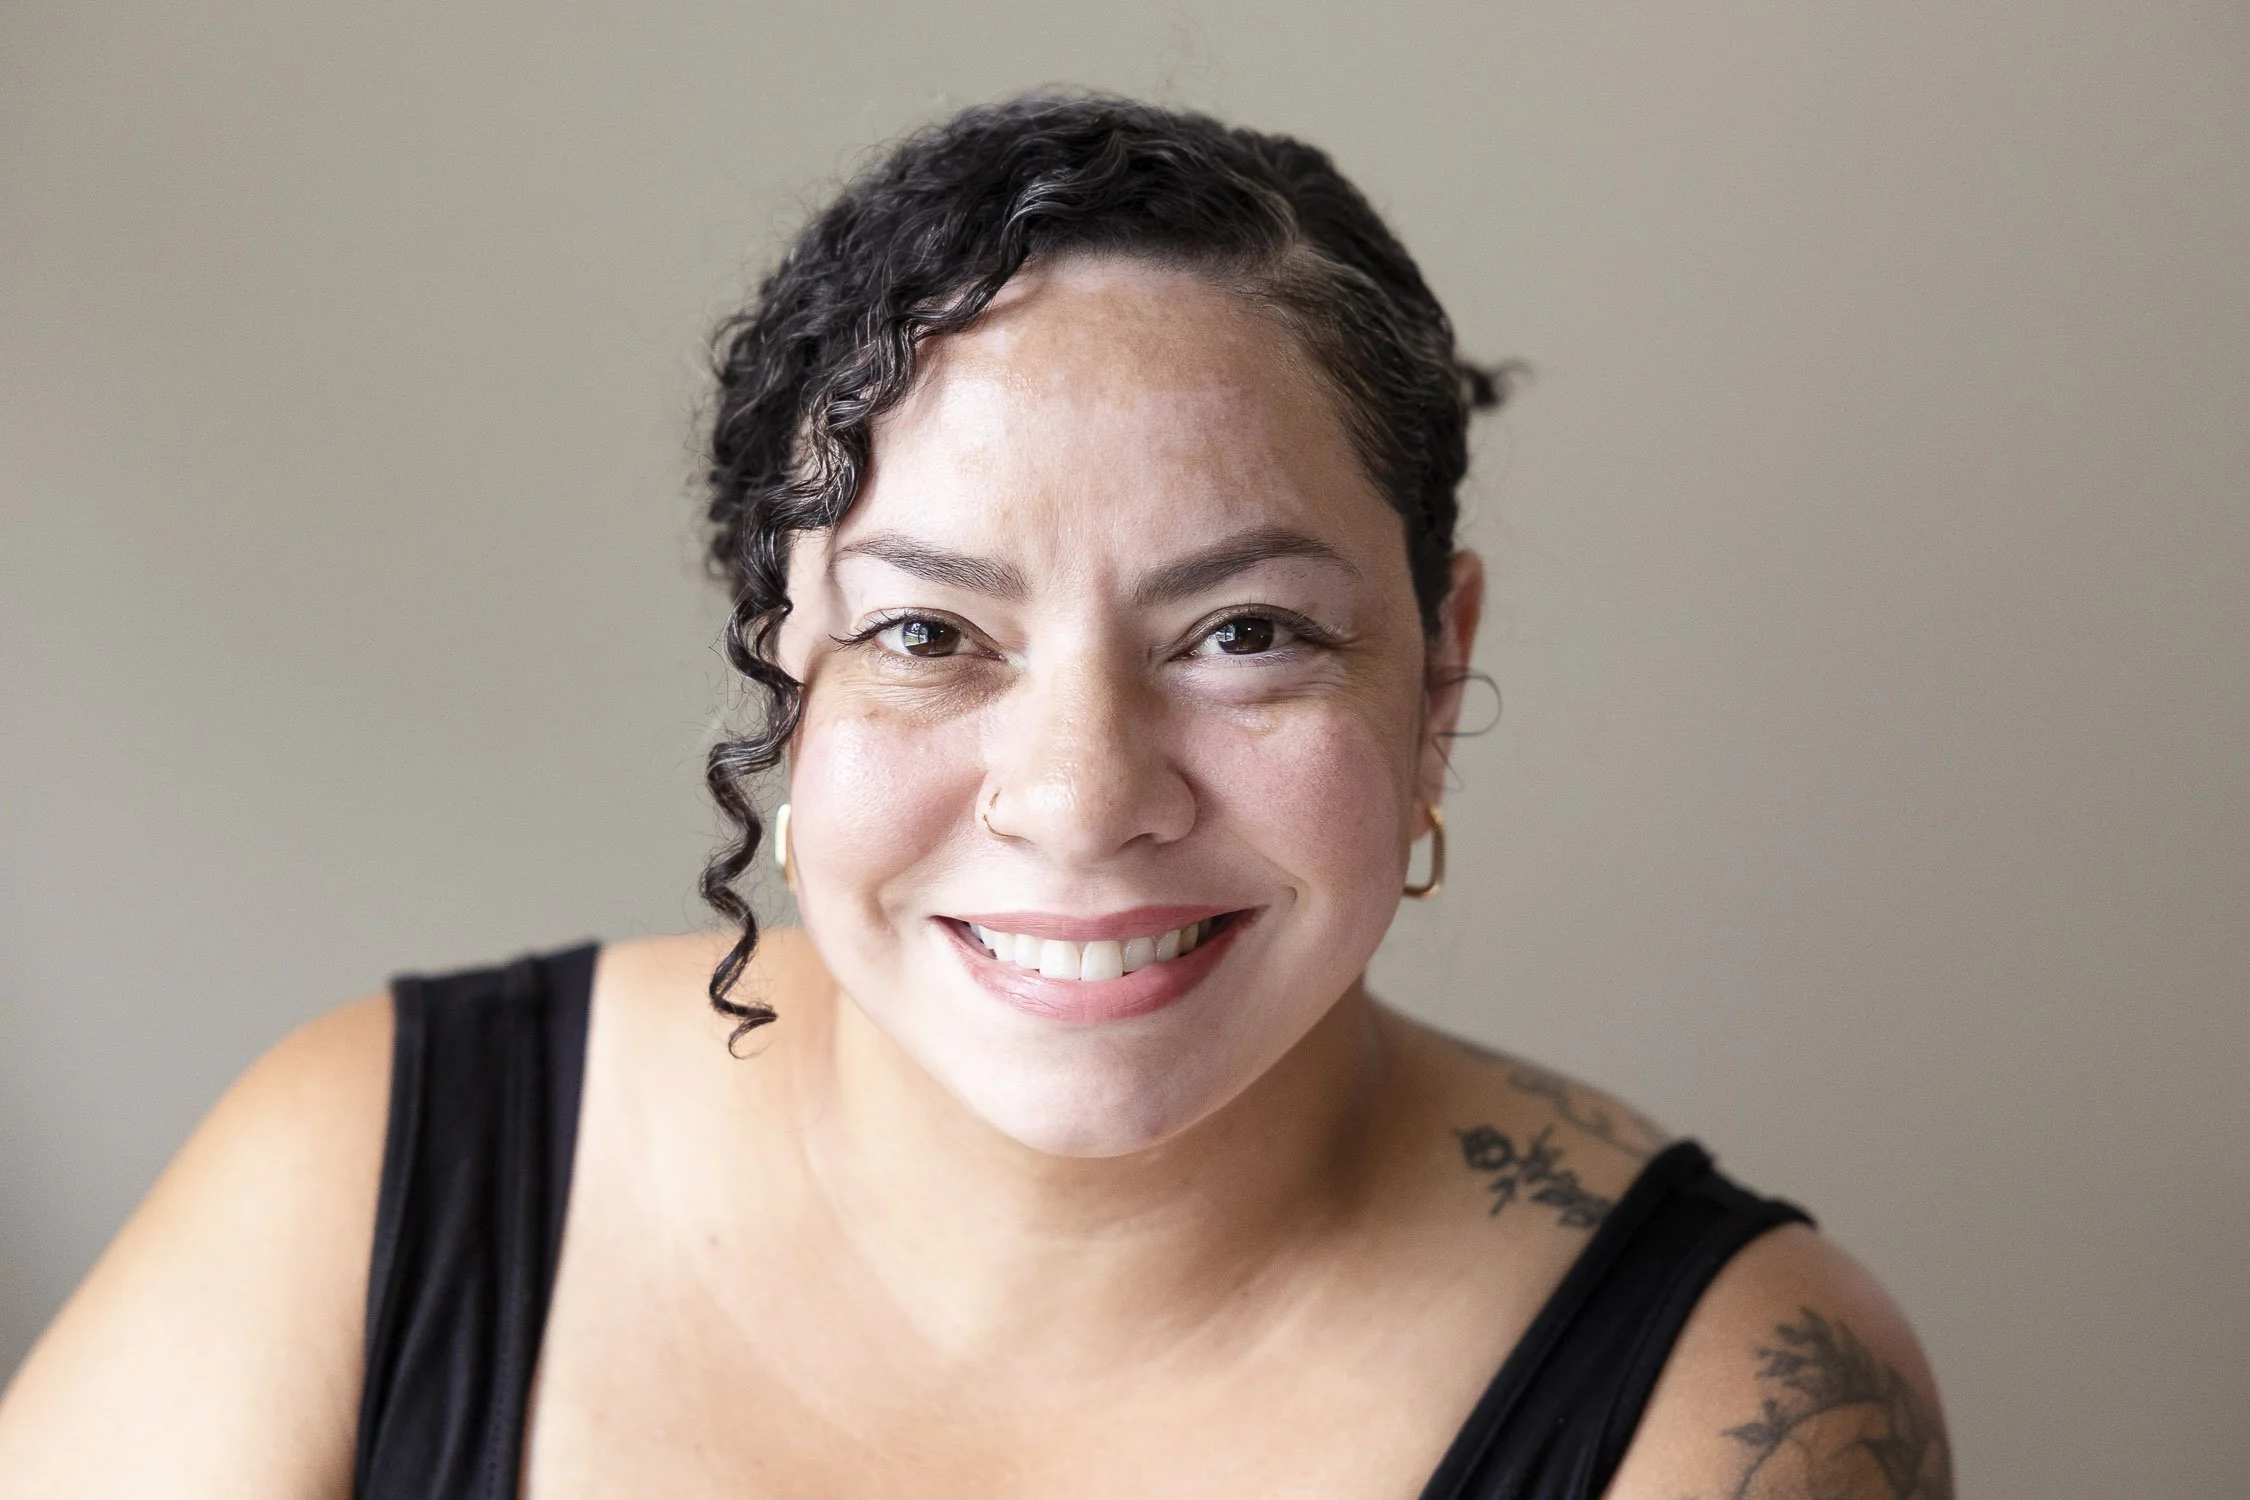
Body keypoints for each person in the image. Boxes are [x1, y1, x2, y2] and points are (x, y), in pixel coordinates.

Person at [0, 94, 1951, 1499]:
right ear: (788, 658)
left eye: (1247, 633)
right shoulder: (371, 1166)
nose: (1081, 796)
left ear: (1434, 671)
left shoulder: (1732, 1395)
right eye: (934, 633)